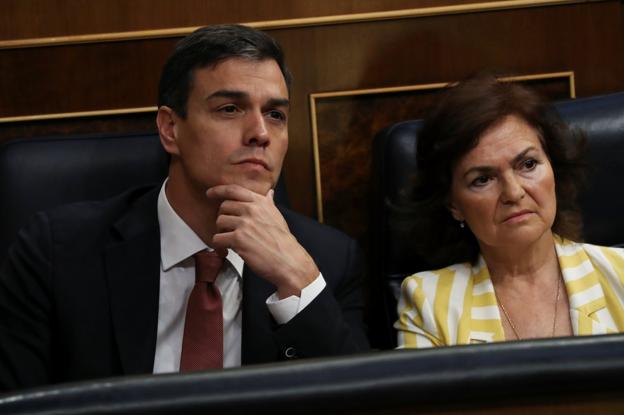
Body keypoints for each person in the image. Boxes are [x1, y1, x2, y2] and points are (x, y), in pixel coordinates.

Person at [0, 24, 368, 391]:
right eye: (230, 108)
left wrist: (297, 281)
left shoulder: (328, 264)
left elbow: (366, 405)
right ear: (170, 129)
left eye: (275, 114)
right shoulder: (57, 254)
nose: (261, 133)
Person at [395, 74, 624, 348]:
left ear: (553, 167)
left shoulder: (620, 274)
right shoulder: (429, 303)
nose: (514, 192)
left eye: (528, 164)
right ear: (453, 204)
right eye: (482, 179)